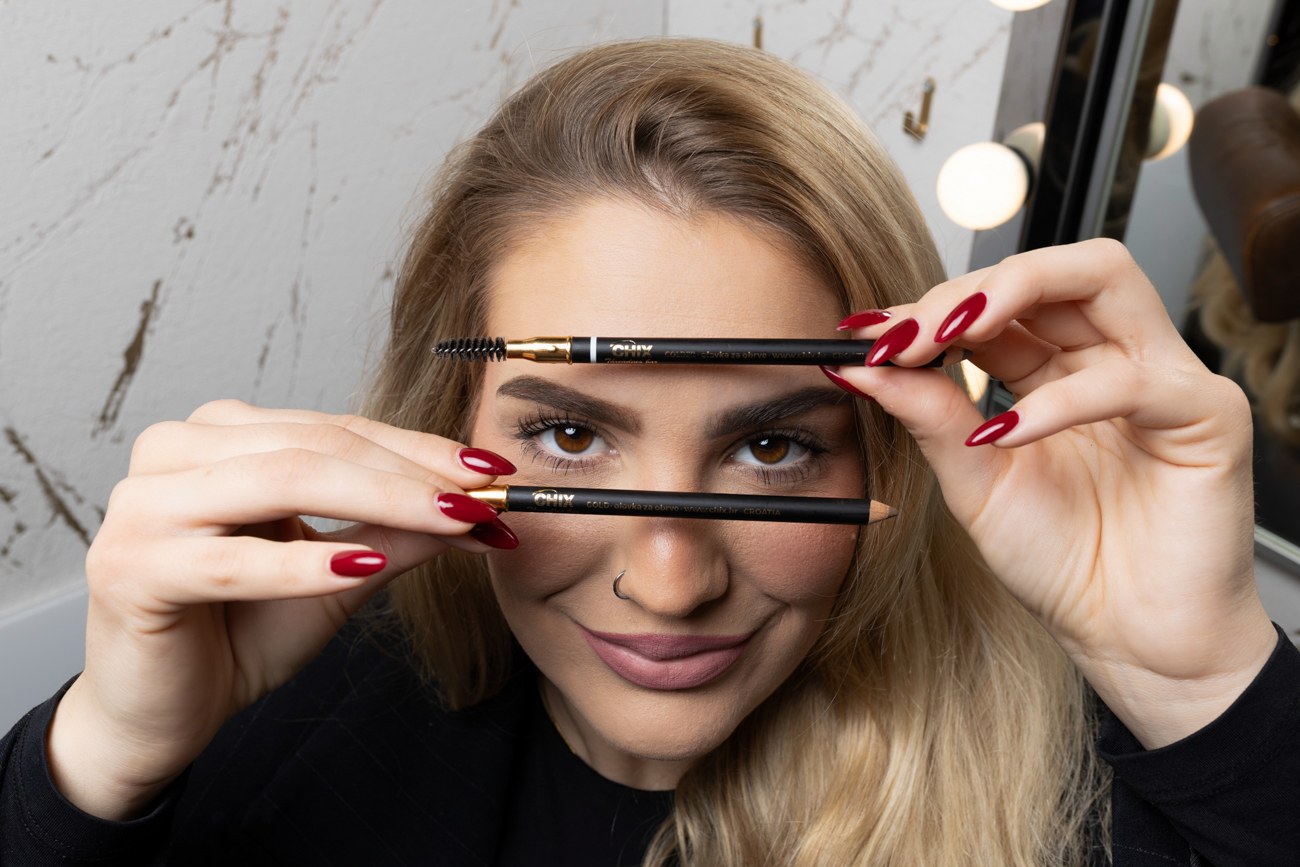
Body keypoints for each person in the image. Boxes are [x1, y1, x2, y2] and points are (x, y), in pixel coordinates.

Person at [2, 39, 1296, 867]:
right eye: (569, 433)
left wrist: (1203, 687)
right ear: (450, 417)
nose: (670, 585)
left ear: (886, 459)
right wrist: (100, 765)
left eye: (777, 446)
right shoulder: (289, 708)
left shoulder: (1084, 792)